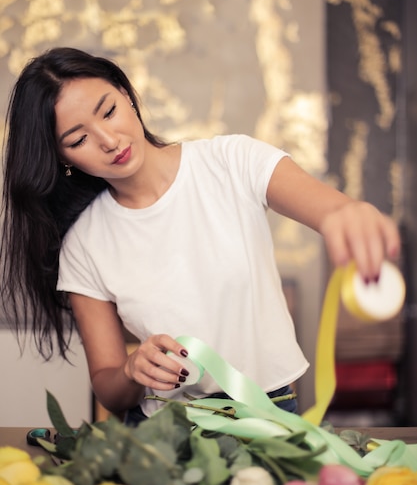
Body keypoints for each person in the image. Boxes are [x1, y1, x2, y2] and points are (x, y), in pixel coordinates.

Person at [0, 47, 400, 424]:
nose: (109, 140)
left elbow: (332, 210)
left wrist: (351, 214)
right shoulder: (84, 244)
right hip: (163, 431)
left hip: (269, 414)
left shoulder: (232, 162)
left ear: (126, 94)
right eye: (79, 139)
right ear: (62, 158)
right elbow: (109, 386)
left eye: (108, 111)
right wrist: (132, 368)